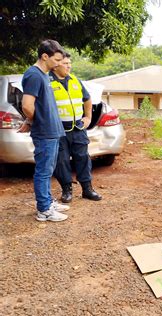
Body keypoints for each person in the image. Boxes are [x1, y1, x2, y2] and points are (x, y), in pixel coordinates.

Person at [18, 40, 70, 221]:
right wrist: (34, 121)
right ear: (44, 56)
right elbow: (27, 105)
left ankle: (48, 201)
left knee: (48, 169)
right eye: (56, 60)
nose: (59, 64)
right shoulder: (33, 75)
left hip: (52, 131)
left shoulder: (45, 75)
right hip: (45, 132)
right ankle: (44, 210)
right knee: (43, 171)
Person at [50, 53, 102, 203]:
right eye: (65, 63)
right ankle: (67, 190)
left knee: (83, 158)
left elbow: (87, 99)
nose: (69, 66)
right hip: (59, 131)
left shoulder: (75, 81)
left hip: (78, 129)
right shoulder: (48, 82)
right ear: (56, 64)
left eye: (69, 63)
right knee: (61, 161)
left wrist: (88, 118)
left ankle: (87, 189)